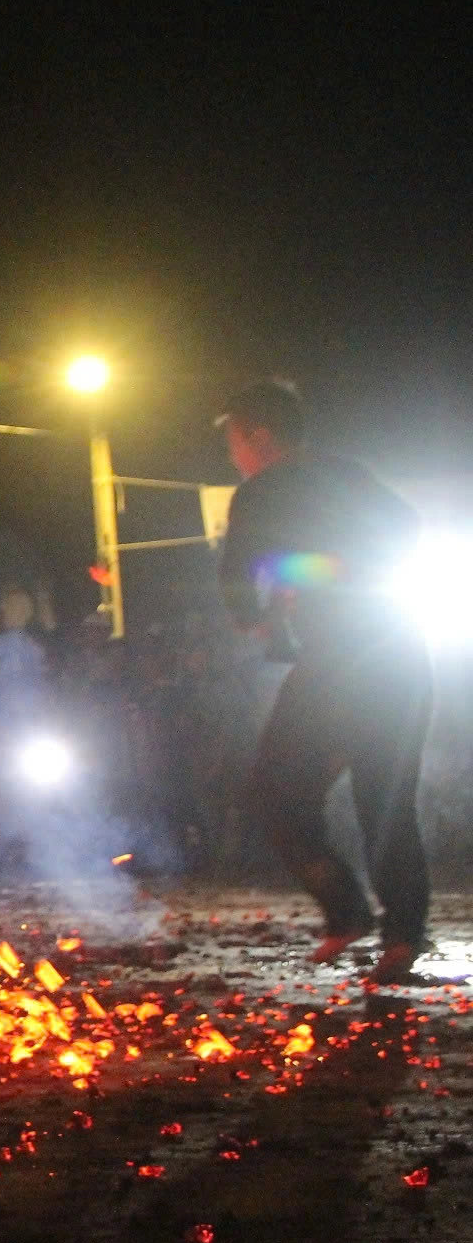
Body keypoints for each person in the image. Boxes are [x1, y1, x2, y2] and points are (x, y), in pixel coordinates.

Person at [214, 378, 431, 984]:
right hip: (397, 654)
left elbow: (237, 585)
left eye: (235, 439)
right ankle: (394, 934)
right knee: (384, 801)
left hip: (343, 662)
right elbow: (409, 530)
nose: (233, 453)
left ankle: (353, 913)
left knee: (279, 793)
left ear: (257, 435)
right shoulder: (352, 475)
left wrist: (269, 604)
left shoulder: (259, 493)